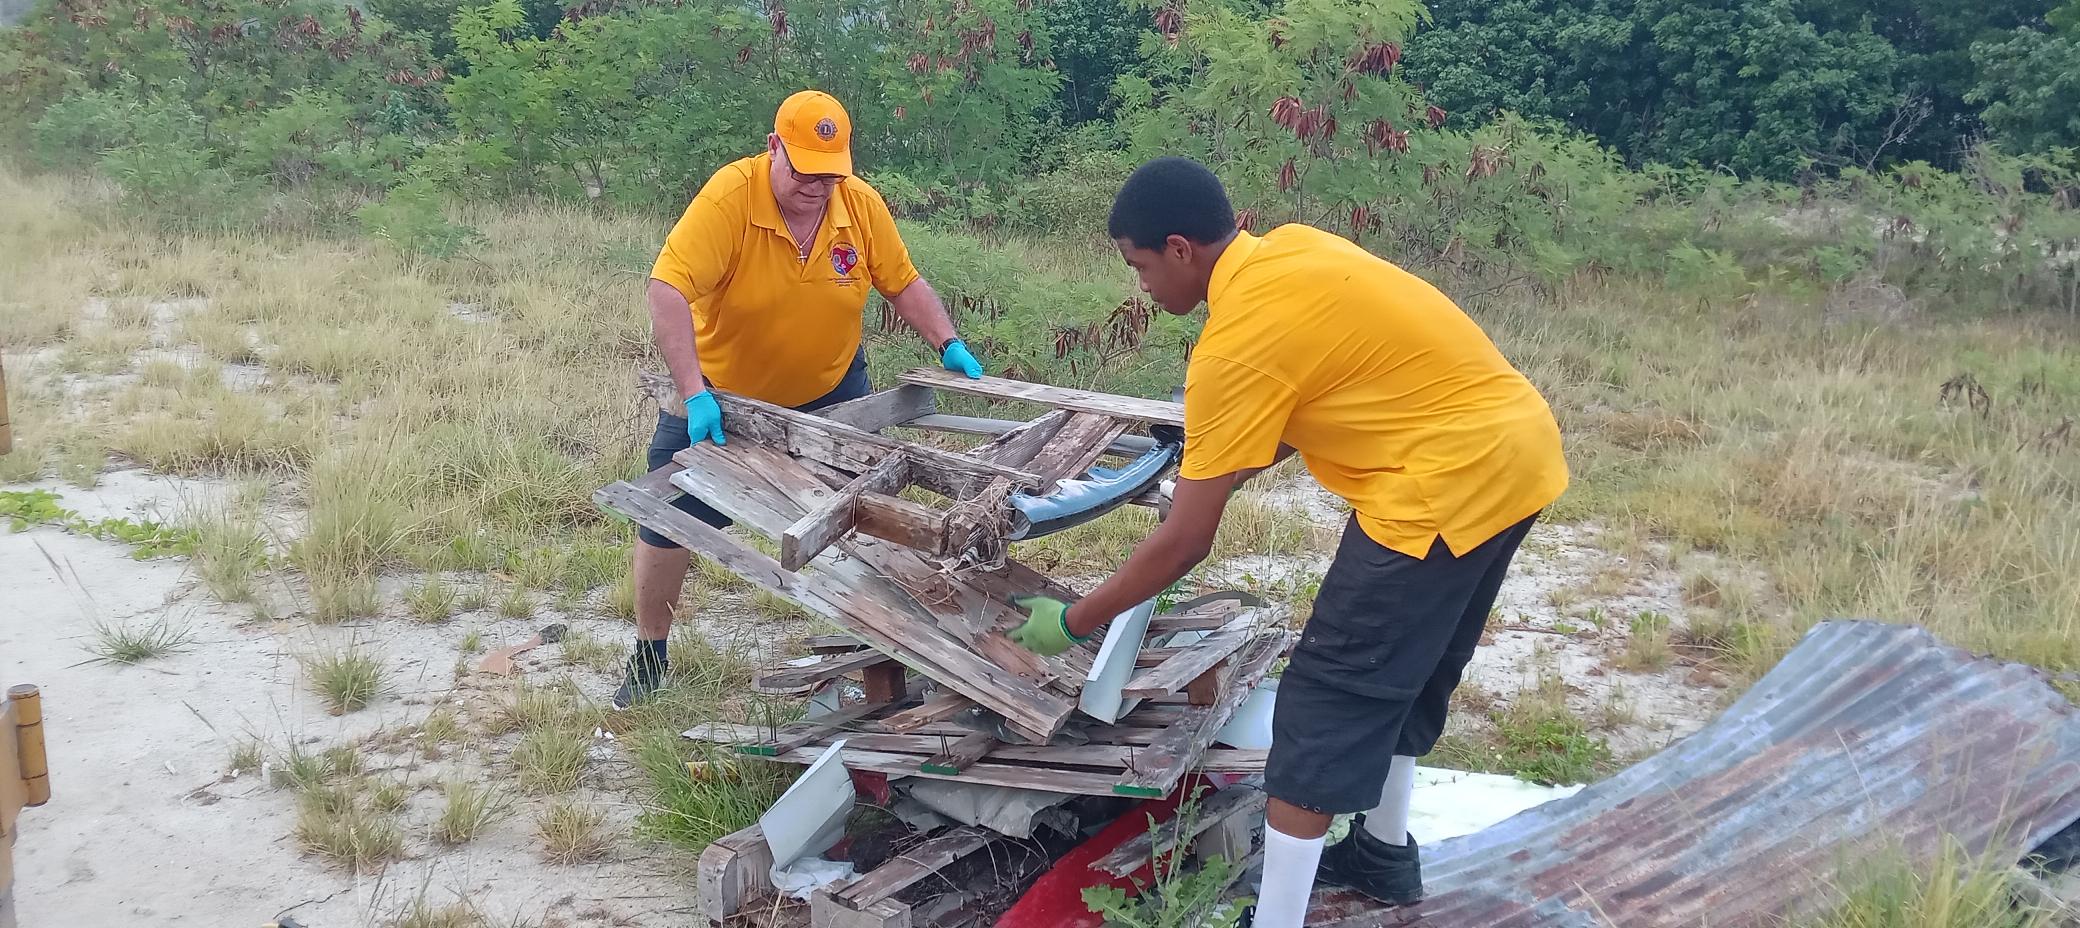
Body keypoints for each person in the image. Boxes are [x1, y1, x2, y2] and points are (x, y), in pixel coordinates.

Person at [1007, 157, 1568, 926]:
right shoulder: (1295, 249)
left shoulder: (1234, 346)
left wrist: (1073, 621)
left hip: (1438, 486)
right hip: (1519, 453)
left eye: (1139, 265)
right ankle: (1381, 855)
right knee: (1411, 669)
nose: (1139, 284)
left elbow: (1184, 545)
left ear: (1179, 249)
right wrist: (1217, 468)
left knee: (1325, 703)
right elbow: (1306, 403)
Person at [619, 90, 985, 709]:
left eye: (830, 173)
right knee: (667, 521)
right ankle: (650, 654)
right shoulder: (731, 198)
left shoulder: (858, 205)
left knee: (862, 515)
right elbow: (667, 289)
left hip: (832, 391)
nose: (818, 186)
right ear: (774, 148)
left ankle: (878, 640)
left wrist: (948, 341)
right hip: (723, 402)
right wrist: (693, 392)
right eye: (805, 171)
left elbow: (902, 281)